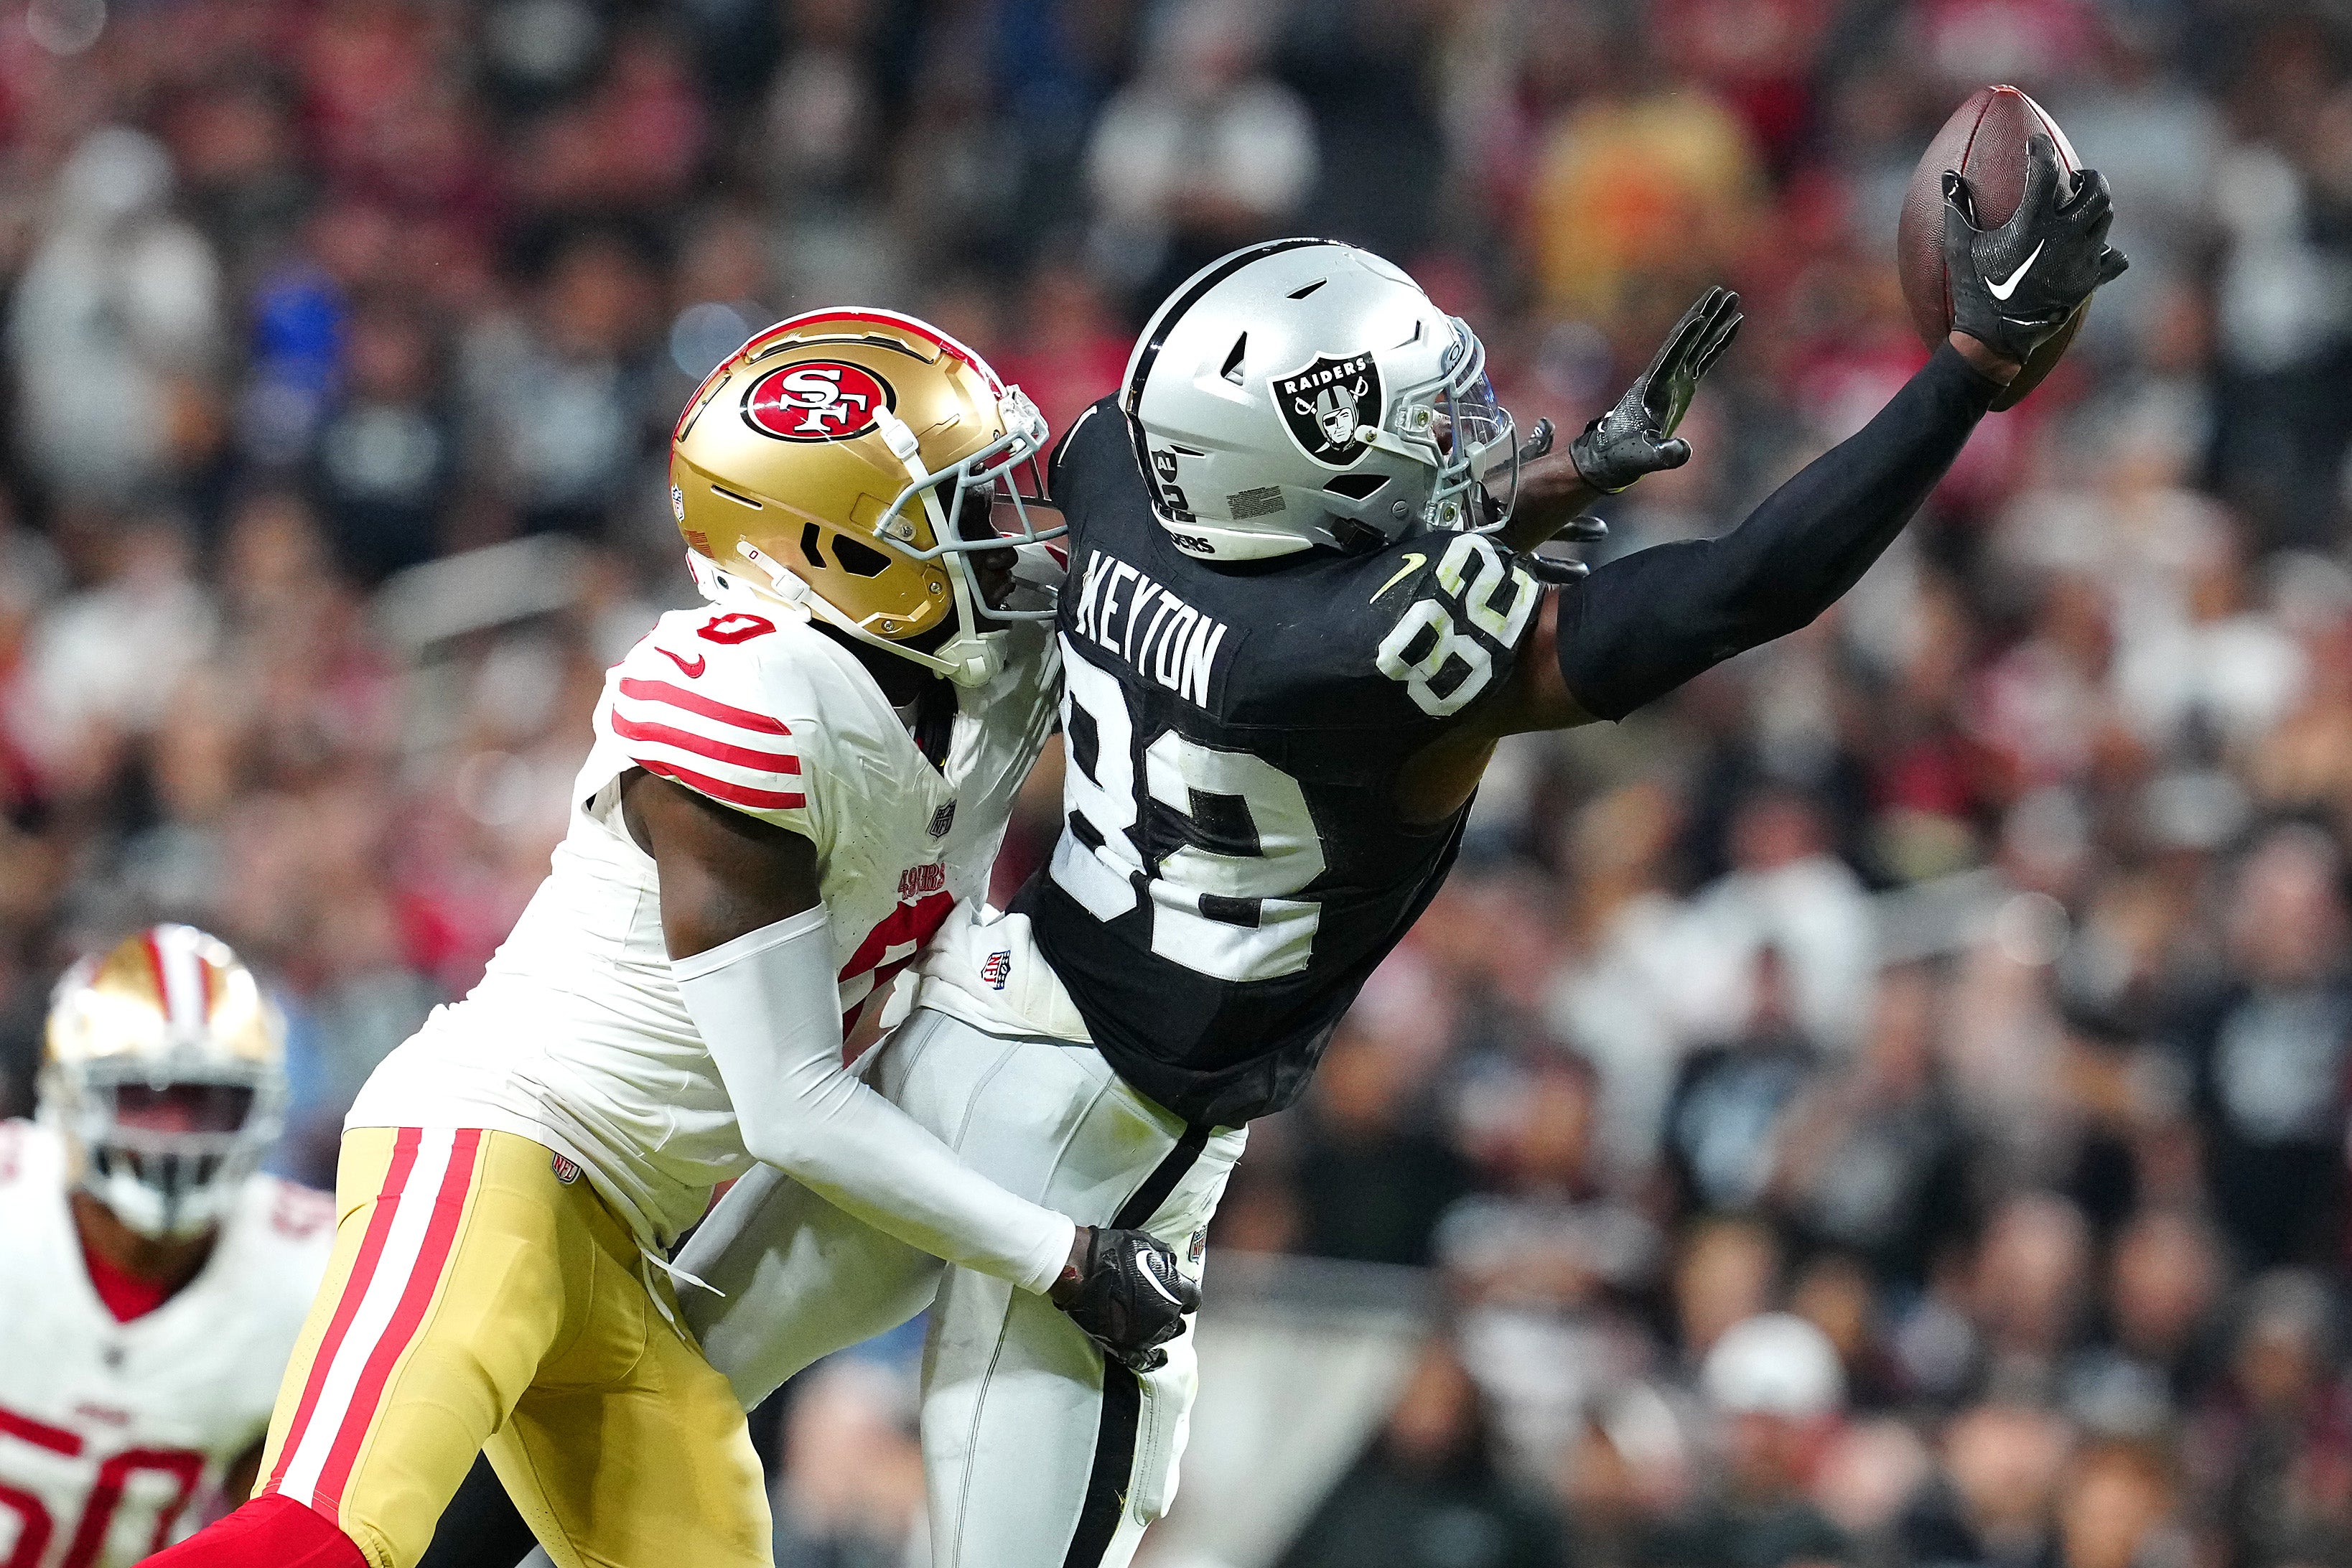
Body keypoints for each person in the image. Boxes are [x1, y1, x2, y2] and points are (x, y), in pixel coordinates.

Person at [440, 134, 2128, 1568]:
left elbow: (1273, 575)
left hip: (967, 1025)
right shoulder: (1365, 657)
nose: (1468, 437)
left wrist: (1503, 504)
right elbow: (1740, 589)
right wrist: (1963, 381)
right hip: (1098, 1147)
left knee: (604, 1418)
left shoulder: (1110, 474)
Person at [146, 310, 1197, 1568]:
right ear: (831, 545)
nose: (1010, 530)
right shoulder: (745, 698)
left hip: (617, 1243)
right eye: (962, 505)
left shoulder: (969, 667)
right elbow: (794, 1105)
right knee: (321, 1540)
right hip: (494, 1145)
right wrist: (1063, 1255)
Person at [0, 925, 331, 1564]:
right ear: (70, 1093)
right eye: (143, 1100)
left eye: (208, 1103)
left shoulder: (307, 1275)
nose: (175, 1135)